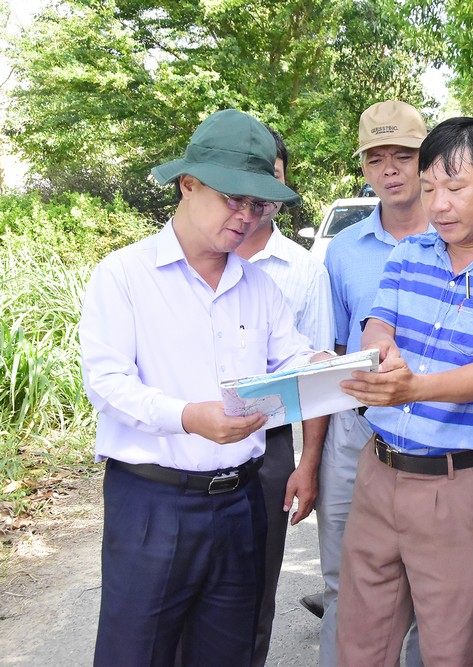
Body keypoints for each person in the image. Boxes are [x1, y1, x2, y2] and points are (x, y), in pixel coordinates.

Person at [80, 109, 329, 665]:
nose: (246, 216)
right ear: (187, 185)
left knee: (228, 650)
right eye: (233, 199)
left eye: (259, 204)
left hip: (239, 502)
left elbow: (291, 357)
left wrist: (346, 366)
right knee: (135, 652)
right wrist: (190, 416)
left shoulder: (258, 285)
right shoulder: (125, 275)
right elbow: (107, 382)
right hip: (152, 503)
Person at [335, 116, 473, 664]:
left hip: (455, 486)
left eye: (455, 188)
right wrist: (380, 353)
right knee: (360, 645)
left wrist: (413, 388)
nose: (439, 205)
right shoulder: (409, 254)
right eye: (430, 187)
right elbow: (377, 322)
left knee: (446, 649)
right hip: (378, 471)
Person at [313, 100, 431, 666]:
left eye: (403, 156)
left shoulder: (466, 235)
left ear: (426, 161)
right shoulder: (343, 249)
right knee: (343, 579)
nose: (389, 170)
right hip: (353, 429)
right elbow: (335, 349)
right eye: (376, 158)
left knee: (425, 593)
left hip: (435, 433)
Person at [233, 127, 335, 667]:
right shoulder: (180, 260)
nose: (255, 193)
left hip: (269, 445)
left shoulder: (302, 270)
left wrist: (307, 463)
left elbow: (314, 374)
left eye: (269, 173)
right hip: (185, 444)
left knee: (253, 595)